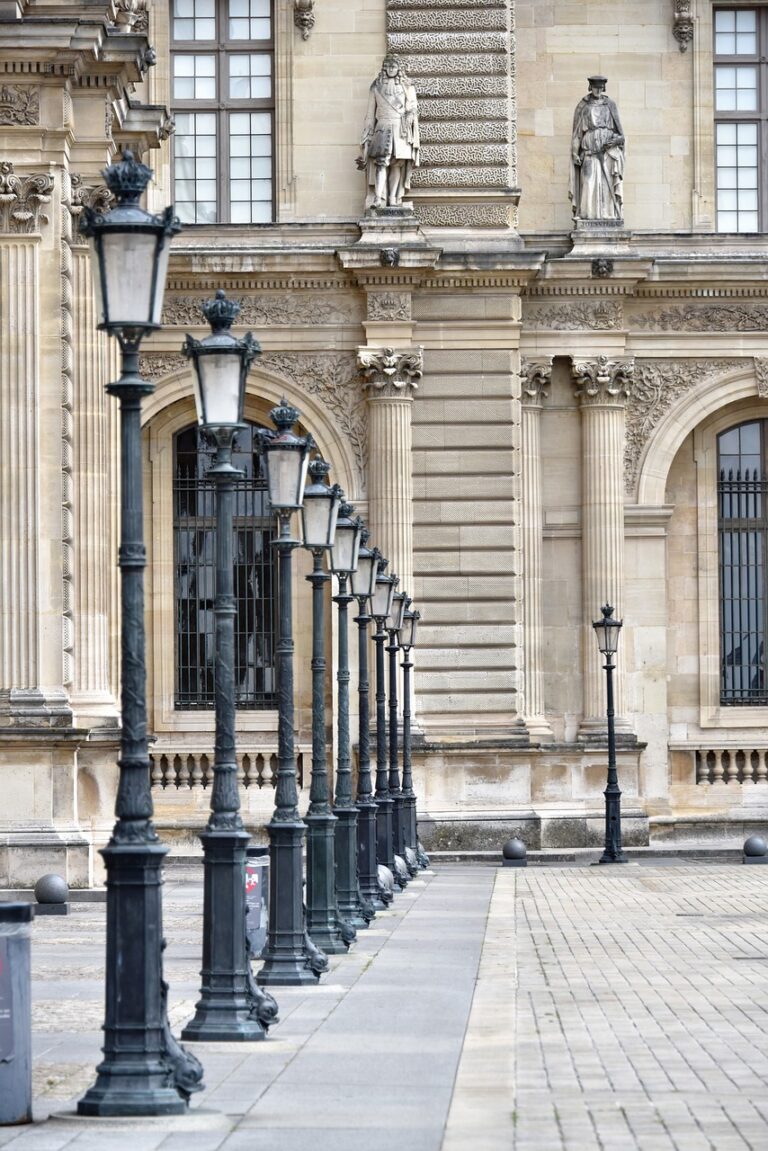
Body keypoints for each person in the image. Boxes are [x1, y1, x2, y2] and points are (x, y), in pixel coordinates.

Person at [357, 54, 420, 210]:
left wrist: (410, 114)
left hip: (400, 129)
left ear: (399, 68)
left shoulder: (407, 86)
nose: (391, 68)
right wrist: (367, 133)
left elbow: (412, 107)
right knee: (381, 163)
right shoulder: (376, 86)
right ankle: (379, 197)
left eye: (394, 66)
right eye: (389, 65)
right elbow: (370, 114)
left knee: (397, 164)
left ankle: (393, 198)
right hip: (383, 127)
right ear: (385, 67)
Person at [569, 75, 625, 223]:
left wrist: (613, 142)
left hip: (608, 154)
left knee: (607, 187)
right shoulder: (584, 107)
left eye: (600, 88)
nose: (598, 91)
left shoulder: (610, 106)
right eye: (595, 87)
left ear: (604, 88)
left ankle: (608, 216)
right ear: (590, 87)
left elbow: (621, 137)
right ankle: (587, 216)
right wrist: (575, 153)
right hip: (589, 154)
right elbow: (577, 135)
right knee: (588, 183)